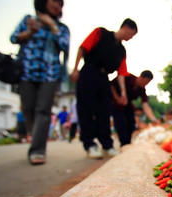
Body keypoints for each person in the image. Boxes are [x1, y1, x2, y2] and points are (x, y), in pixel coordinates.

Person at [10, 0, 70, 165]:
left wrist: (52, 26)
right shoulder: (28, 20)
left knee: (43, 110)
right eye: (54, 1)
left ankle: (37, 150)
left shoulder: (62, 28)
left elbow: (65, 46)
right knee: (28, 108)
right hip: (26, 71)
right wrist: (29, 32)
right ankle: (35, 136)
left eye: (60, 3)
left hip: (50, 74)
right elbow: (13, 38)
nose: (57, 5)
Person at [70, 18, 137, 159]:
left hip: (104, 78)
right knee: (86, 109)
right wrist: (75, 69)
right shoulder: (101, 33)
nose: (131, 38)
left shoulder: (121, 51)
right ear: (126, 27)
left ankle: (107, 145)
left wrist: (123, 92)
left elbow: (121, 73)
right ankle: (90, 145)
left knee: (105, 111)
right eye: (132, 34)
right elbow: (82, 48)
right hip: (89, 72)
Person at [111, 70, 158, 146]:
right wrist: (117, 98)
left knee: (131, 122)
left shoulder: (142, 90)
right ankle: (124, 143)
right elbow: (112, 86)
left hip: (128, 103)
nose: (146, 84)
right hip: (116, 102)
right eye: (145, 82)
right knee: (120, 122)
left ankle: (128, 142)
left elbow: (145, 105)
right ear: (141, 77)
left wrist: (153, 119)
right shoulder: (127, 77)